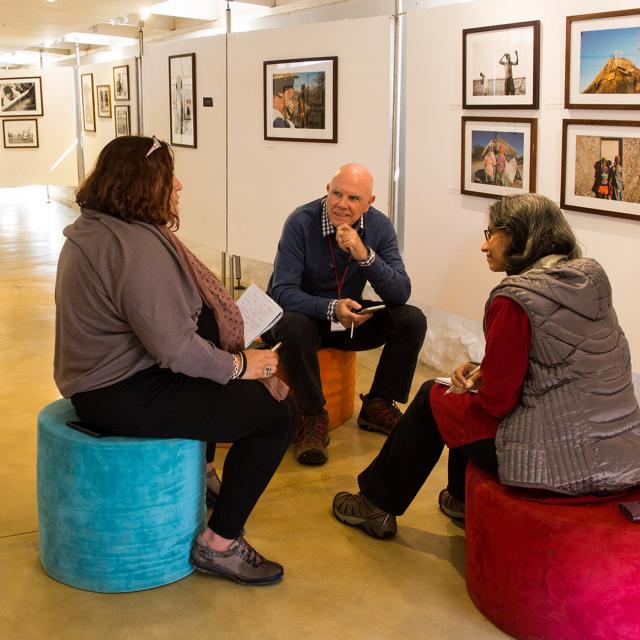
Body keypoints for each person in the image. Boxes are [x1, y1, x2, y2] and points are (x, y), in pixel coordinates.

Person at [54, 135, 297, 586]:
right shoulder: (134, 246)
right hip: (118, 392)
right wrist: (243, 365)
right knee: (276, 414)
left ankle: (205, 476)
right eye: (170, 177)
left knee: (223, 378)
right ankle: (220, 543)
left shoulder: (98, 227)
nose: (179, 186)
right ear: (145, 184)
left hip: (104, 381)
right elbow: (175, 349)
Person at [333, 193, 640, 539]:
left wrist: (484, 379)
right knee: (458, 393)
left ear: (519, 235)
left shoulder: (515, 298)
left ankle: (375, 502)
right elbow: (561, 360)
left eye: (491, 233)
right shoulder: (590, 278)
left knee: (435, 395)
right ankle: (460, 498)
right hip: (621, 449)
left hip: (558, 458)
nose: (485, 246)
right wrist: (486, 368)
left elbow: (497, 402)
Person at [265, 164, 427, 465]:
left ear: (370, 202)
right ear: (327, 189)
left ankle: (378, 405)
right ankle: (312, 415)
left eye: (353, 198)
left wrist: (365, 256)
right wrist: (330, 309)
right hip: (304, 316)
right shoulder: (300, 222)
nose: (342, 204)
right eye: (336, 193)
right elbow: (282, 292)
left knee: (412, 320)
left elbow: (399, 292)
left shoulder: (379, 226)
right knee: (292, 327)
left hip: (346, 318)